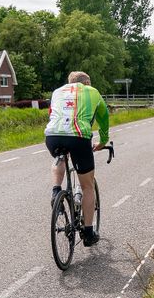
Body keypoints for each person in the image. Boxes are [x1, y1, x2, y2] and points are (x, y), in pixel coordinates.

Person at [44, 71, 110, 246]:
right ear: (87, 82)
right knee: (87, 186)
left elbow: (52, 113)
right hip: (79, 137)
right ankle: (88, 233)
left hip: (52, 136)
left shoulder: (57, 91)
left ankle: (56, 190)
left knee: (61, 156)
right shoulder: (93, 91)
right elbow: (104, 117)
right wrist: (103, 141)